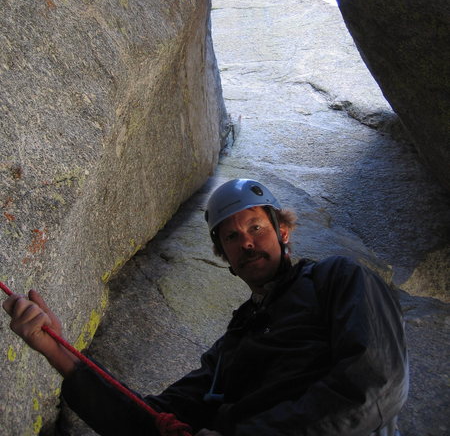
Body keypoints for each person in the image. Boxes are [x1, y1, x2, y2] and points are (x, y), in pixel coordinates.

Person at [3, 179, 408, 436]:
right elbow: (152, 418)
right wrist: (53, 347)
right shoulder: (233, 345)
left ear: (283, 232)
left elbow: (377, 383)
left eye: (256, 228)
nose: (246, 242)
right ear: (224, 256)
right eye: (231, 238)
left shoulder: (338, 279)